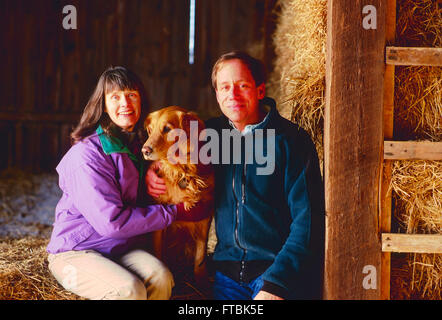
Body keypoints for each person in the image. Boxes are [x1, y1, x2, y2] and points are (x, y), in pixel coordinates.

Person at [148, 51, 325, 300]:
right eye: (225, 87)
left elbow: (308, 221)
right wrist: (154, 170)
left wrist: (277, 284)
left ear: (260, 90)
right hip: (227, 276)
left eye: (242, 86)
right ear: (217, 94)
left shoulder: (292, 141)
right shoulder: (207, 136)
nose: (233, 94)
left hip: (275, 273)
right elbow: (166, 144)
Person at [46, 66, 209, 300]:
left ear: (141, 100)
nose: (125, 103)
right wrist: (174, 212)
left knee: (162, 277)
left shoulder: (136, 147)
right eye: (115, 97)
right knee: (129, 290)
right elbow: (112, 224)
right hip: (78, 250)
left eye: (132, 94)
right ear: (102, 104)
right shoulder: (86, 156)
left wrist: (154, 170)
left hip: (118, 248)